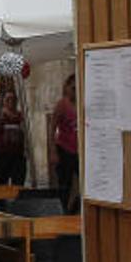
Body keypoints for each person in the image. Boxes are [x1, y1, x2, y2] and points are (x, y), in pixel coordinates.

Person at [50, 74, 79, 213]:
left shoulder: (82, 103)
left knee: (85, 184)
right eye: (71, 86)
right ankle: (62, 211)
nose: (74, 89)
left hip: (80, 151)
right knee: (65, 185)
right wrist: (53, 151)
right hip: (65, 149)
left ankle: (75, 210)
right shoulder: (62, 104)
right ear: (67, 88)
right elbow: (52, 127)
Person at [0, 92, 26, 186]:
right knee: (1, 181)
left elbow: (23, 131)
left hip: (17, 153)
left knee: (18, 180)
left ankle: (17, 198)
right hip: (2, 153)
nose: (11, 102)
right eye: (8, 99)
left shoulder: (19, 115)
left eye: (13, 99)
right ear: (4, 101)